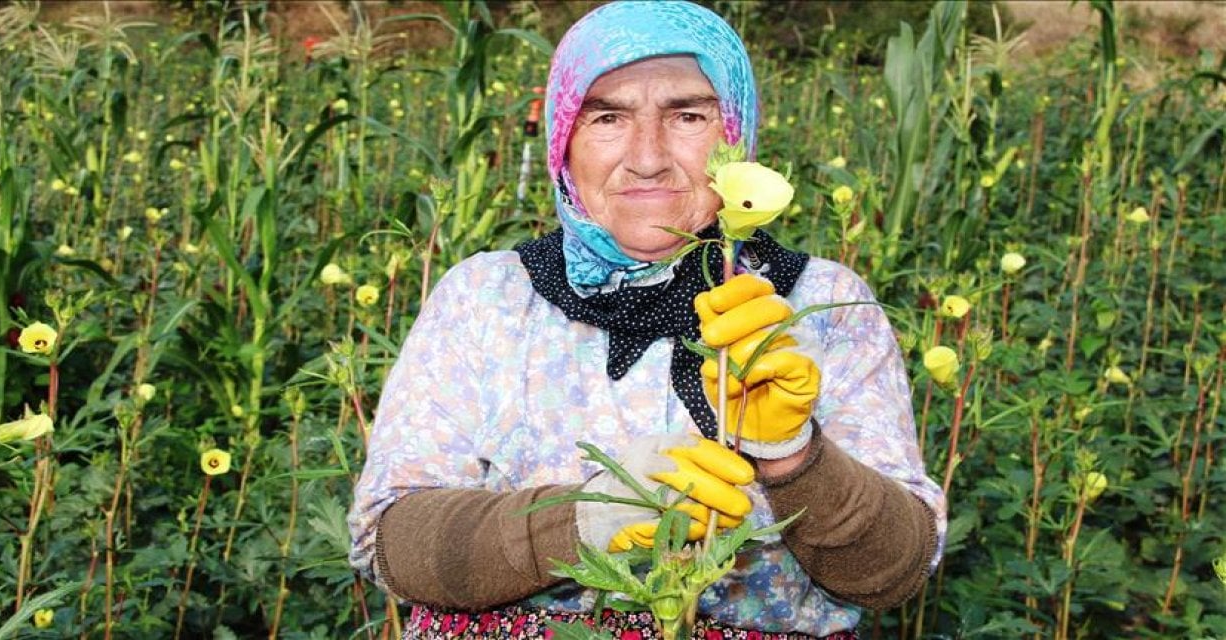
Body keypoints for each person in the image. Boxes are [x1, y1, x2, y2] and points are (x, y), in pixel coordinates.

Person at [347, 2, 946, 638]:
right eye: (608, 116)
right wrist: (582, 520)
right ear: (562, 142)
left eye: (688, 115)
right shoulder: (488, 297)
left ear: (736, 134)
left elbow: (891, 573)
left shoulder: (822, 306)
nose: (648, 158)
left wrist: (793, 457)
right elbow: (394, 544)